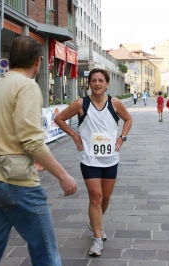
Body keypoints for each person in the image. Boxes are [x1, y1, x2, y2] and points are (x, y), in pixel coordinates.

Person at [0, 36, 77, 266]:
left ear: (10, 60)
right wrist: (63, 175)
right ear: (38, 61)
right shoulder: (27, 86)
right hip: (17, 183)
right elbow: (32, 141)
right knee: (47, 254)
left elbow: (4, 132)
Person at [54, 68, 132, 257]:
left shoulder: (115, 103)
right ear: (89, 83)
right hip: (89, 158)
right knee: (95, 197)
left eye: (100, 80)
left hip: (110, 158)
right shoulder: (82, 103)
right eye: (93, 80)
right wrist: (74, 135)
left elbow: (128, 119)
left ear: (106, 84)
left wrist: (122, 138)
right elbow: (59, 118)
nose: (97, 83)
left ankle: (94, 222)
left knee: (105, 198)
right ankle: (98, 237)